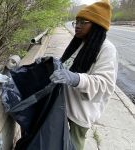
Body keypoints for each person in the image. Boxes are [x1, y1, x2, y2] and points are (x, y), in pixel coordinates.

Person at [50, 1, 118, 150]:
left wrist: (76, 78)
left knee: (74, 145)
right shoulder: (79, 43)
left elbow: (105, 84)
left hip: (81, 111)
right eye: (77, 21)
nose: (77, 25)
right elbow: (67, 65)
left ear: (96, 25)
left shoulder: (107, 49)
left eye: (83, 22)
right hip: (63, 103)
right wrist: (54, 64)